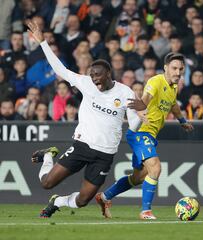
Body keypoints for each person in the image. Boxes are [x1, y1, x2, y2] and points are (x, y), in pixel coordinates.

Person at [27, 20, 142, 218]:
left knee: (82, 201)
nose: (95, 78)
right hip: (83, 146)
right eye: (92, 75)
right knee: (46, 183)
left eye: (98, 75)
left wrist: (141, 114)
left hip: (105, 154)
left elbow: (133, 125)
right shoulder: (86, 83)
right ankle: (48, 155)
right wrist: (43, 42)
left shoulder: (125, 92)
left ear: (108, 73)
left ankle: (57, 202)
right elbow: (60, 70)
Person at [95, 52, 194, 220]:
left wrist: (182, 121)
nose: (178, 72)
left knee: (138, 177)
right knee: (155, 168)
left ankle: (104, 197)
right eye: (174, 68)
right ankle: (145, 211)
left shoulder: (173, 87)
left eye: (181, 69)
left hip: (149, 135)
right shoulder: (156, 81)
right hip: (141, 132)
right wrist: (140, 108)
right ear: (165, 68)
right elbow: (145, 99)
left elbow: (173, 104)